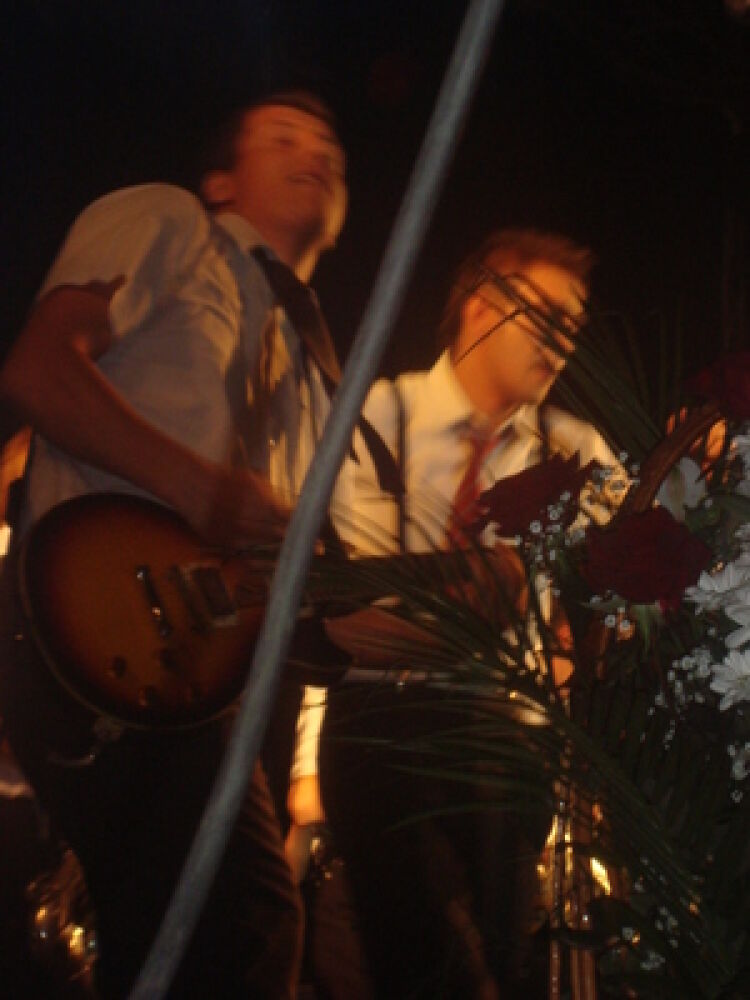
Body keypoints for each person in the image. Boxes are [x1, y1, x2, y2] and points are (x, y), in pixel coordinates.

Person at [0, 90, 349, 998]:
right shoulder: (170, 222)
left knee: (220, 937)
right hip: (89, 629)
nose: (315, 153)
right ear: (221, 181)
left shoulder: (317, 368)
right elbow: (39, 368)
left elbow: (290, 583)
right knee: (244, 930)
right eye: (283, 138)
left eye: (330, 146)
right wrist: (201, 491)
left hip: (194, 681)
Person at [321, 229, 621, 997]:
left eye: (575, 326)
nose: (564, 342)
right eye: (548, 316)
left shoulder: (576, 448)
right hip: (381, 725)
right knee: (427, 965)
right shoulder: (373, 415)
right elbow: (337, 609)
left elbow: (649, 556)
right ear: (482, 306)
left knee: (504, 961)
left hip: (504, 737)